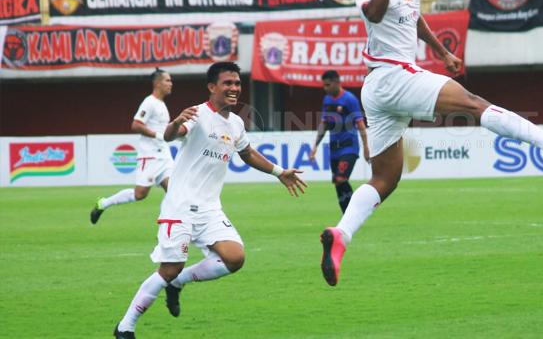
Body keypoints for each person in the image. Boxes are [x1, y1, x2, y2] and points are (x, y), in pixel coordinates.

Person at [318, 0, 543, 287]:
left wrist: (441, 50)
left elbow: (412, 18)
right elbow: (375, 13)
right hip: (392, 77)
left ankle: (341, 237)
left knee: (386, 177)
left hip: (383, 87)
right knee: (476, 105)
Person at [113, 62, 307, 339]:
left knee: (235, 258)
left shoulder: (236, 123)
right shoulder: (197, 114)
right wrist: (176, 122)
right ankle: (125, 326)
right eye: (227, 83)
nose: (234, 88)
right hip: (180, 206)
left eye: (237, 83)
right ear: (212, 87)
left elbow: (248, 153)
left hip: (209, 208)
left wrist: (278, 172)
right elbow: (170, 136)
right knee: (169, 268)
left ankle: (178, 283)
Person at [90, 68, 174, 225]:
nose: (171, 83)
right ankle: (104, 203)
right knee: (140, 194)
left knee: (175, 191)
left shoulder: (161, 104)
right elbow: (136, 125)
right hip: (150, 156)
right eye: (167, 80)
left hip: (164, 155)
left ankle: (166, 226)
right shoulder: (149, 102)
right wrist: (156, 135)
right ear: (157, 83)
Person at [310, 70, 370, 213]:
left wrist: (366, 147)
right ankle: (347, 215)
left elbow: (360, 124)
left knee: (341, 178)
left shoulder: (350, 99)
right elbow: (324, 124)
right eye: (324, 85)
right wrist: (315, 146)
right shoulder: (327, 100)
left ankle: (358, 209)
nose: (325, 88)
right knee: (337, 182)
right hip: (334, 149)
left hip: (349, 147)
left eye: (328, 85)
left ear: (337, 82)